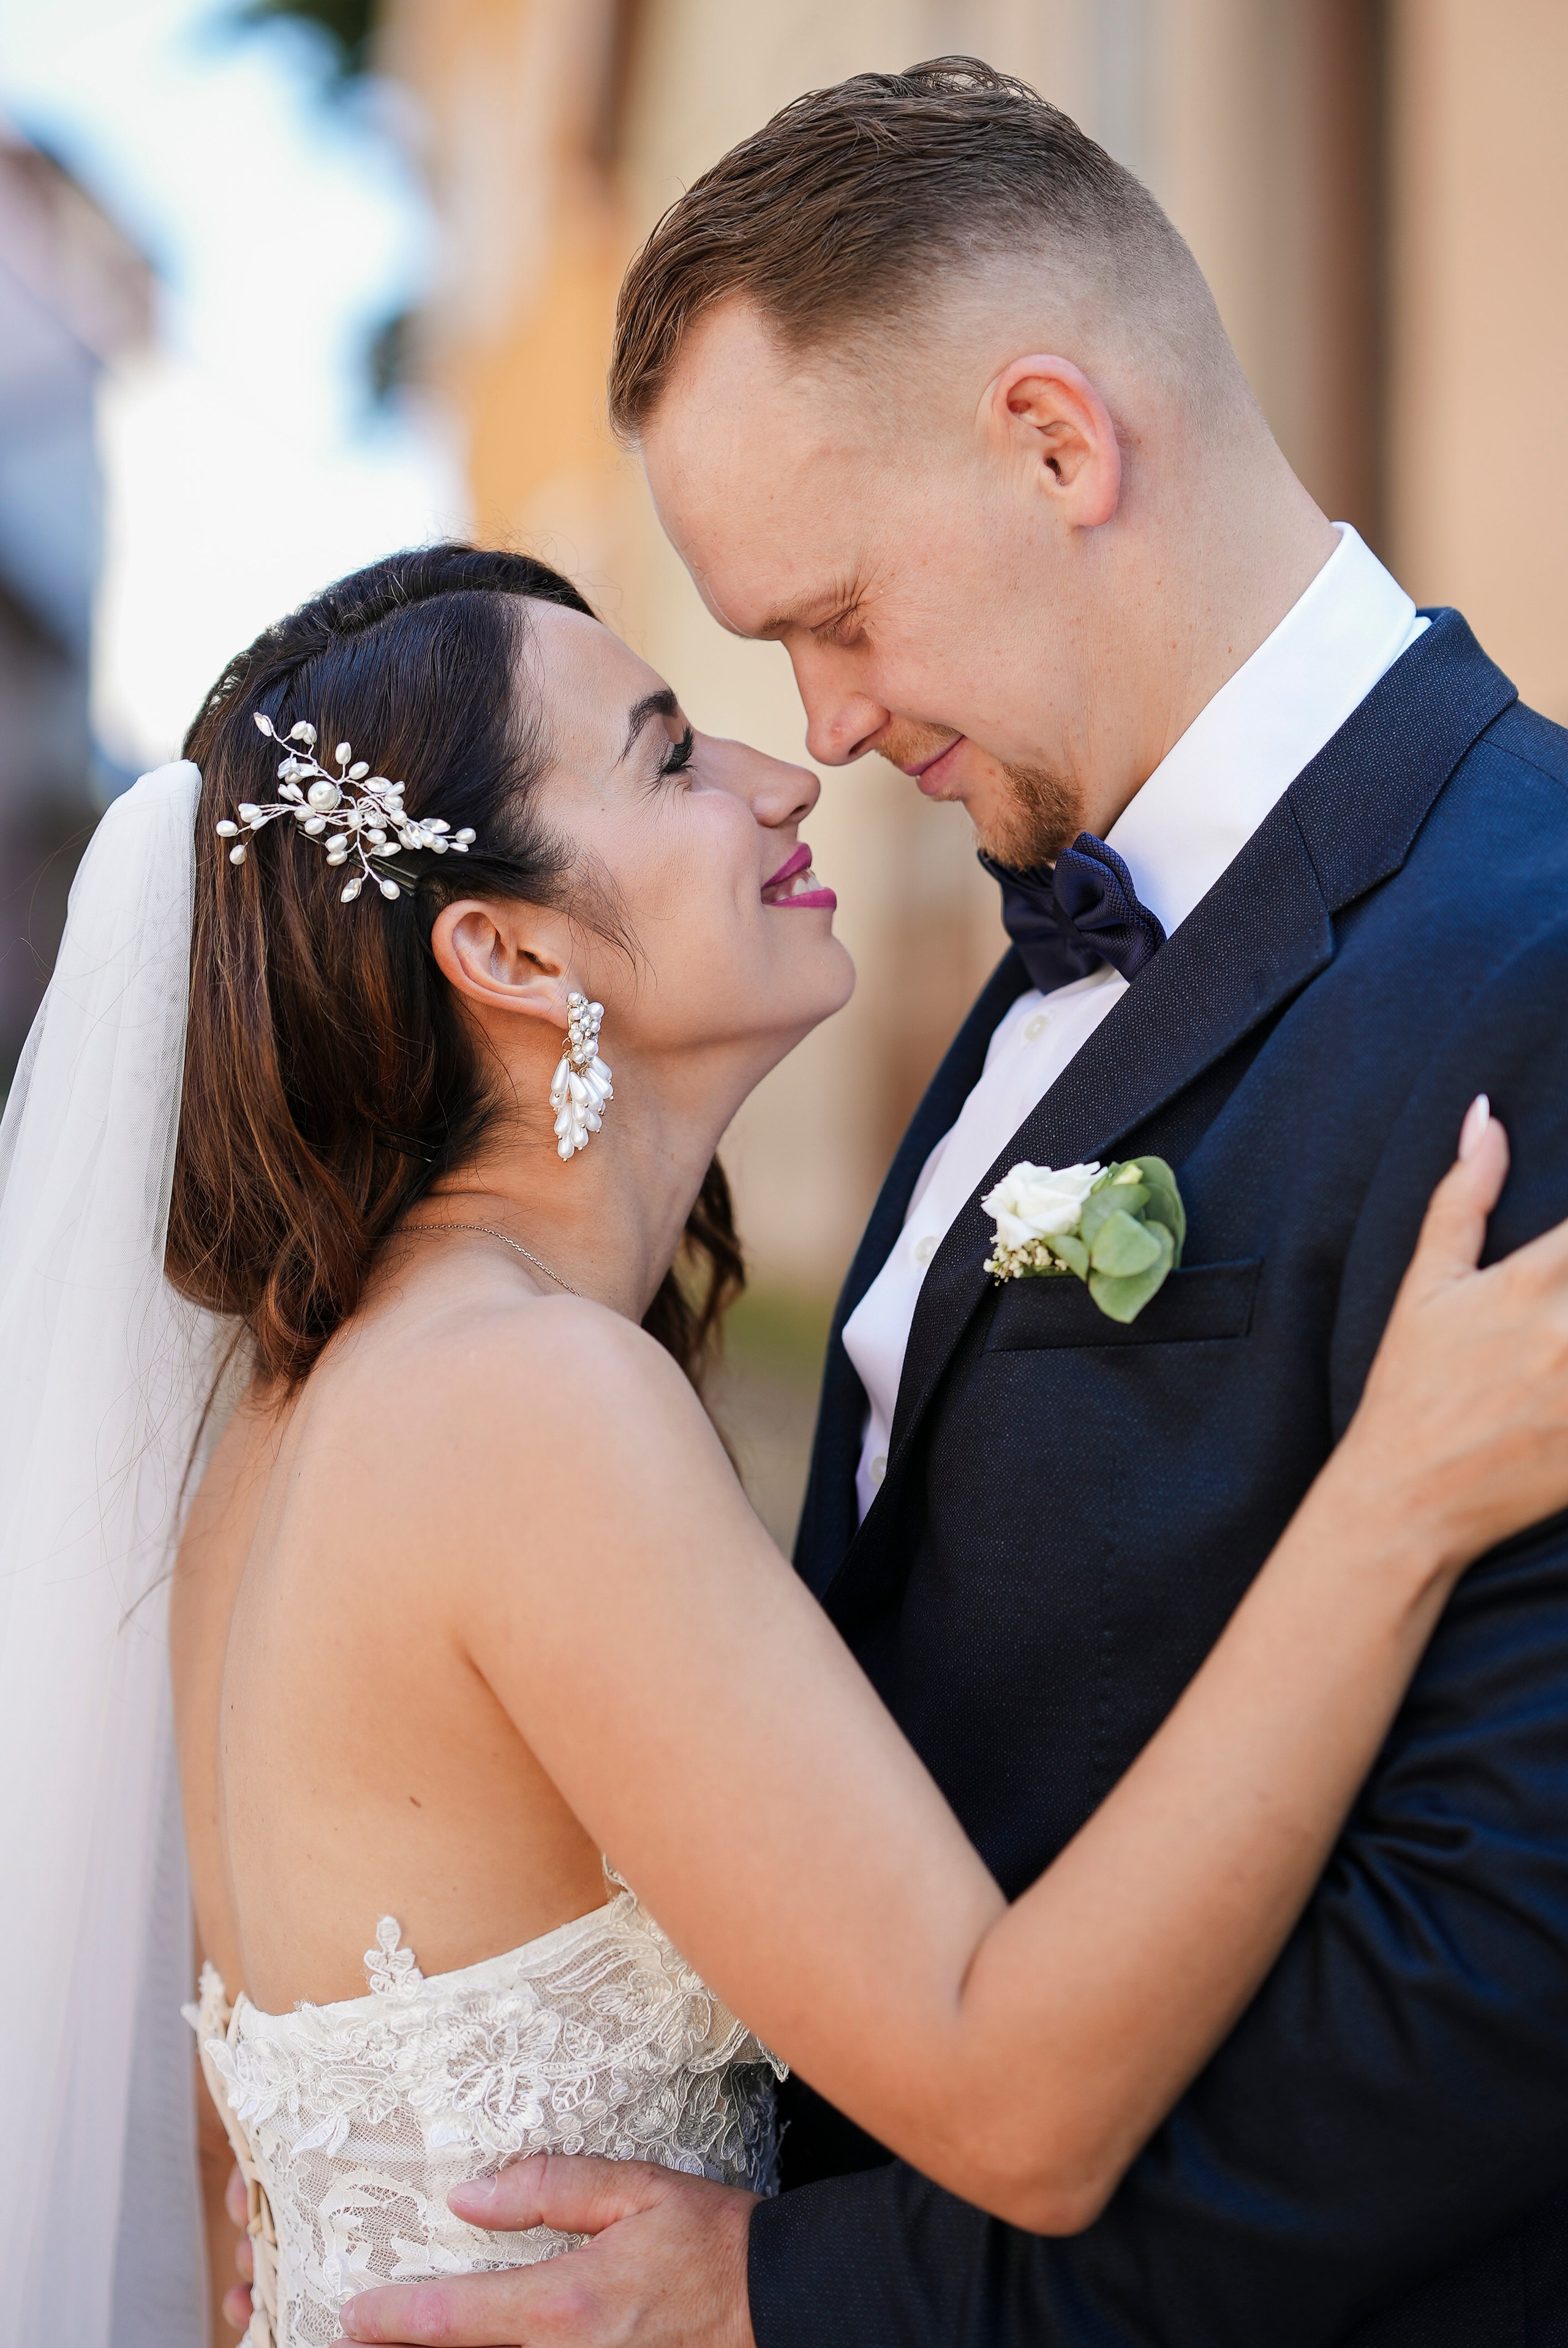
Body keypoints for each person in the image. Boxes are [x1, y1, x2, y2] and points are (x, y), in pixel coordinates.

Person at [340, 56, 1568, 2348]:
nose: (818, 725)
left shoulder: (1538, 957)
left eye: (835, 613)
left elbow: (1500, 1981)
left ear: (1056, 444)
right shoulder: (1037, 949)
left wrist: (808, 2291)